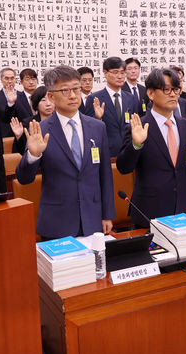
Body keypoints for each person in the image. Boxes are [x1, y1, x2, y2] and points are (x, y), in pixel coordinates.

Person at [16, 65, 114, 239]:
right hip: (57, 221)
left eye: (76, 89)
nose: (73, 95)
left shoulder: (97, 127)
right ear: (51, 96)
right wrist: (33, 155)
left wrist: (107, 214)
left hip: (93, 219)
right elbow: (24, 179)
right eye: (65, 90)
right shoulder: (40, 130)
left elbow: (105, 175)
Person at [116, 68, 186, 227]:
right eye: (166, 89)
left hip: (182, 207)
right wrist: (136, 144)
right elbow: (123, 167)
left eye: (176, 89)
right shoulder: (139, 126)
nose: (173, 94)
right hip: (150, 210)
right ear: (150, 94)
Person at [82, 57, 140, 157]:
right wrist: (97, 118)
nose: (120, 76)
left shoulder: (131, 98)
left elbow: (135, 125)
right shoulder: (94, 99)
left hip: (128, 152)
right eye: (115, 72)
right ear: (105, 73)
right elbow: (87, 129)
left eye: (122, 72)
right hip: (106, 153)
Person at [9, 86, 55, 154]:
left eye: (51, 99)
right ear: (36, 104)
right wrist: (19, 137)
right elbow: (21, 152)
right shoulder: (28, 123)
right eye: (43, 100)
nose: (48, 104)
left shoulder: (61, 121)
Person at [0, 67, 29, 138]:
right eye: (6, 78)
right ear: (1, 80)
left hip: (22, 135)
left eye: (12, 78)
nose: (9, 81)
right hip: (3, 136)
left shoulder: (23, 96)